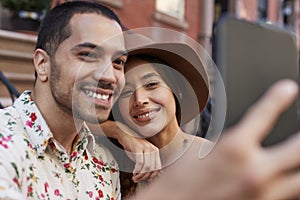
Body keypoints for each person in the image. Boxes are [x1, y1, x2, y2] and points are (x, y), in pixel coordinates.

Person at [0, 1, 129, 199]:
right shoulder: (5, 145)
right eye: (87, 56)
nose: (110, 77)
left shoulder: (105, 164)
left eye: (118, 62)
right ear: (42, 64)